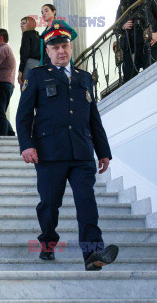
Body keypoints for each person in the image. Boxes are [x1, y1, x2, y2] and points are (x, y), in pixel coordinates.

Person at [16, 22, 119, 270]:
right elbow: (23, 115)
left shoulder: (84, 78)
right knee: (50, 205)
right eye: (55, 47)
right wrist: (26, 145)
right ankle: (48, 243)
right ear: (48, 51)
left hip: (82, 152)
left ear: (70, 47)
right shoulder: (38, 75)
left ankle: (93, 253)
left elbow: (93, 116)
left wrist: (103, 151)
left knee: (87, 202)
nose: (61, 51)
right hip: (49, 152)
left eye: (65, 46)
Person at [116, 0, 157, 83]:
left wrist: (156, 33)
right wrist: (123, 26)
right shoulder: (123, 5)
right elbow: (116, 28)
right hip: (131, 47)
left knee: (152, 76)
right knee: (129, 80)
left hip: (150, 43)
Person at [0, 29, 16, 136]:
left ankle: (4, 138)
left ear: (0, 38)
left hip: (1, 84)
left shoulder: (3, 49)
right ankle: (10, 134)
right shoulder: (6, 49)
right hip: (5, 84)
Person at [18, 16, 41, 87]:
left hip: (29, 64)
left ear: (30, 24)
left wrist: (20, 71)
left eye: (24, 23)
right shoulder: (38, 37)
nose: (21, 25)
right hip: (39, 65)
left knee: (26, 89)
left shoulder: (26, 35)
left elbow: (24, 53)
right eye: (21, 24)